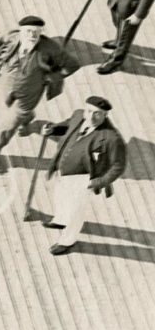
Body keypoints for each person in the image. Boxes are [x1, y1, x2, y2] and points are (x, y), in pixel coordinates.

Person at [0, 16, 79, 171]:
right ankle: (26, 120)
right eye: (28, 31)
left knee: (9, 124)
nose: (32, 35)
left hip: (30, 92)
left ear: (41, 33)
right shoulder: (10, 37)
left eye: (36, 32)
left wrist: (52, 77)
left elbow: (72, 65)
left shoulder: (50, 48)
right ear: (21, 31)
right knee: (11, 107)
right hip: (8, 84)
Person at [40, 96, 127, 255]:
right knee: (60, 197)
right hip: (62, 170)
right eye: (89, 111)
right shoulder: (79, 115)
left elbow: (118, 166)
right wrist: (52, 129)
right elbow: (66, 127)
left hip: (83, 179)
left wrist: (98, 182)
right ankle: (60, 220)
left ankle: (67, 241)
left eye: (98, 114)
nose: (92, 116)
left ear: (105, 115)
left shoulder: (111, 139)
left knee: (76, 211)